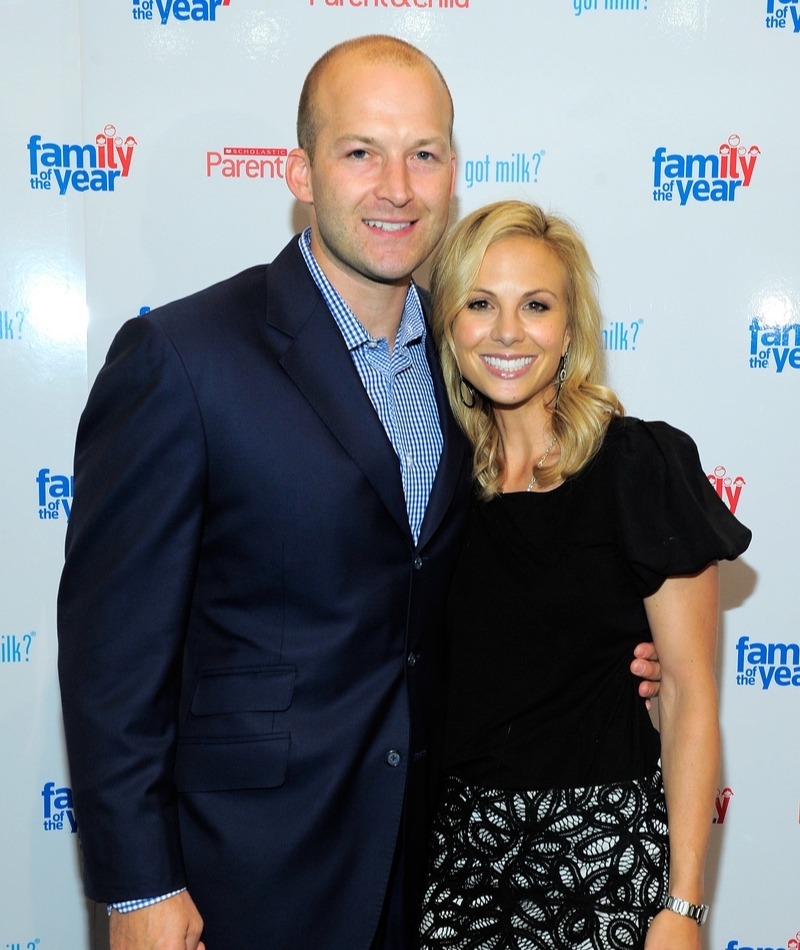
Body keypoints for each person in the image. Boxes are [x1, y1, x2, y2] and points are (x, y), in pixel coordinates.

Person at [56, 39, 661, 950]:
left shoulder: (471, 365)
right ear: (300, 171)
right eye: (360, 153)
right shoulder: (184, 359)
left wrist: (616, 660)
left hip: (439, 866)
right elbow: (113, 659)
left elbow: (495, 568)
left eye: (423, 154)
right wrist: (139, 886)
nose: (397, 187)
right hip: (245, 871)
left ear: (453, 172)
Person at [418, 200, 751, 950]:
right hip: (458, 871)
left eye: (536, 305)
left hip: (605, 862)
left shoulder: (638, 467)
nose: (507, 331)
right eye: (480, 303)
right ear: (450, 327)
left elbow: (692, 697)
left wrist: (685, 906)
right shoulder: (438, 487)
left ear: (570, 331)